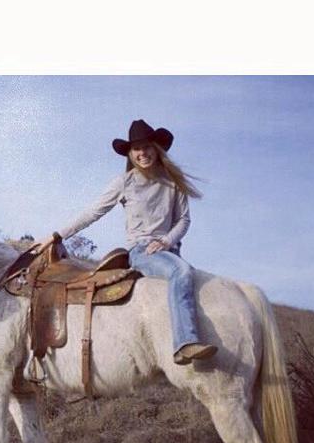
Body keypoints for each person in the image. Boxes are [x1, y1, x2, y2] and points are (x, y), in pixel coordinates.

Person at [39, 119, 217, 365]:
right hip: (142, 251)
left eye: (147, 147)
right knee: (182, 272)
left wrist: (166, 241)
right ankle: (184, 344)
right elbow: (94, 212)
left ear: (156, 148)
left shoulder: (173, 183)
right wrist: (57, 235)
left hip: (169, 250)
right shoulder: (124, 182)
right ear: (130, 154)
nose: (142, 153)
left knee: (195, 283)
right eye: (136, 149)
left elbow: (183, 220)